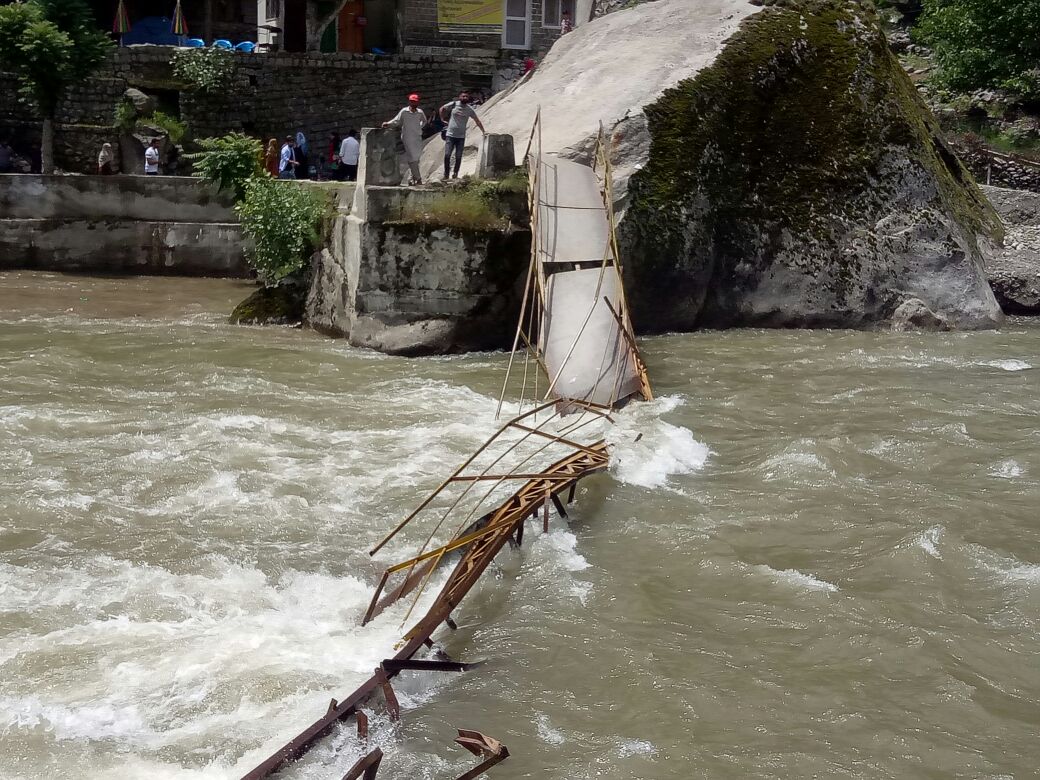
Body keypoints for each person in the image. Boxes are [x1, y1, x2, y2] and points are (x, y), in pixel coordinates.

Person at [383, 93, 428, 185]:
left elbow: (424, 121)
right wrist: (388, 123)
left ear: (417, 102)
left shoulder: (420, 112)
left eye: (415, 101)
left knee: (416, 158)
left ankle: (410, 179)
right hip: (407, 137)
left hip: (417, 137)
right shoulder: (404, 111)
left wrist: (419, 127)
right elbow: (397, 121)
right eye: (411, 101)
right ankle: (418, 179)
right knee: (412, 157)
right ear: (409, 102)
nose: (413, 103)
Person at [439, 92, 486, 180]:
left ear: (468, 98)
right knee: (447, 155)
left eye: (466, 96)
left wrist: (483, 131)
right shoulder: (454, 104)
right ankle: (446, 174)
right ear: (459, 97)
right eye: (463, 96)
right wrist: (442, 119)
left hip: (461, 137)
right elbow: (442, 108)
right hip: (450, 135)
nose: (465, 97)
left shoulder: (469, 109)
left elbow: (477, 120)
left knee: (458, 156)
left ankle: (455, 174)